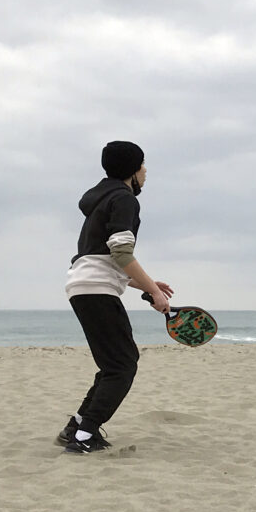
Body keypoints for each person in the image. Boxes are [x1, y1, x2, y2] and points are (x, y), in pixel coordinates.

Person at [57, 141, 173, 454]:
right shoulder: (124, 199)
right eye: (143, 165)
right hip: (96, 287)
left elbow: (102, 257)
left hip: (82, 285)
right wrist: (152, 290)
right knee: (123, 365)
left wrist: (147, 285)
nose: (146, 171)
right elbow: (120, 252)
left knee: (112, 365)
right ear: (132, 170)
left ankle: (76, 427)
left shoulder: (99, 202)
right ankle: (85, 436)